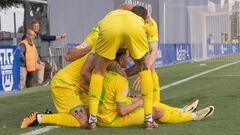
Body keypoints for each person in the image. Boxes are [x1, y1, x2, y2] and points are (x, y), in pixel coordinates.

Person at [20, 49, 215, 129]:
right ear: (119, 58)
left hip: (83, 90)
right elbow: (84, 80)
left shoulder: (111, 66)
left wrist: (114, 94)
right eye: (128, 56)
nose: (130, 59)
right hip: (66, 86)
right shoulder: (103, 63)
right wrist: (134, 99)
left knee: (147, 103)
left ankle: (181, 111)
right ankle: (40, 117)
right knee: (84, 122)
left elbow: (104, 81)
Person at [81, 6, 156, 129]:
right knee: (144, 68)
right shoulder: (140, 21)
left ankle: (92, 120)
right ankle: (148, 119)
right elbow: (148, 57)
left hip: (109, 27)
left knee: (98, 72)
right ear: (144, 19)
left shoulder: (115, 14)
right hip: (134, 28)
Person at [22, 21, 67, 85]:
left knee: (48, 68)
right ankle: (29, 87)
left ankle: (41, 83)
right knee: (29, 76)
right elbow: (23, 47)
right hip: (29, 59)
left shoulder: (39, 36)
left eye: (37, 26)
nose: (36, 28)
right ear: (31, 27)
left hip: (38, 59)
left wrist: (61, 37)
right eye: (34, 26)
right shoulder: (26, 36)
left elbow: (49, 37)